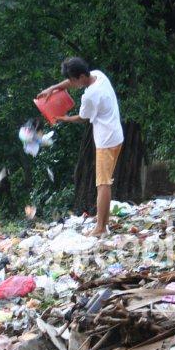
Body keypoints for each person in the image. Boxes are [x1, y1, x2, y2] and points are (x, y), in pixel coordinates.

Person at [37, 57, 124, 236]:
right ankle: (102, 221)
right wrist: (54, 88)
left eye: (74, 80)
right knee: (104, 182)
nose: (73, 84)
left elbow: (83, 118)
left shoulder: (90, 95)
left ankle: (101, 228)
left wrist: (63, 118)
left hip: (106, 141)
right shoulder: (99, 75)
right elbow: (70, 81)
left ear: (82, 76)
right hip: (115, 134)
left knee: (103, 184)